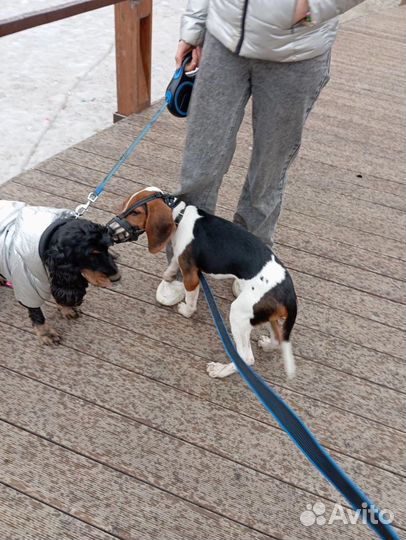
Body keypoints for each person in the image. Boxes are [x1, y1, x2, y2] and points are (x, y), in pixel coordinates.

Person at [156, 0, 366, 306]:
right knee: (200, 166)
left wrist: (311, 8)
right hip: (222, 40)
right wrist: (195, 27)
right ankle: (182, 263)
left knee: (269, 168)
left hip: (296, 53)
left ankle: (249, 260)